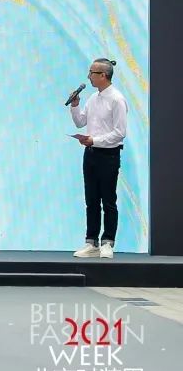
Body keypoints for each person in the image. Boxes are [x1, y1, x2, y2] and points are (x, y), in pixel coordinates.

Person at [70, 58, 128, 259]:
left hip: (108, 155)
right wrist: (75, 106)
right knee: (91, 199)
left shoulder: (117, 100)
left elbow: (119, 133)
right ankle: (91, 242)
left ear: (103, 75)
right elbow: (80, 122)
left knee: (108, 200)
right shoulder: (93, 98)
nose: (88, 77)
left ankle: (108, 242)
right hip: (91, 154)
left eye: (92, 73)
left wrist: (94, 140)